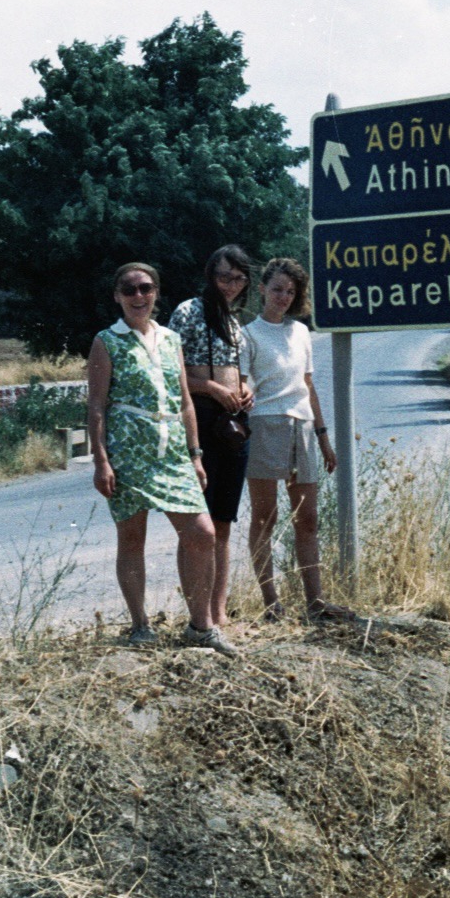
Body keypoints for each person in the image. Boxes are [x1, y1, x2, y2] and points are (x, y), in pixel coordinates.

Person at [87, 262, 237, 655]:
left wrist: (195, 454)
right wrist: (101, 460)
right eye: (130, 289)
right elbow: (97, 407)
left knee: (201, 534)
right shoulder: (107, 341)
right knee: (132, 537)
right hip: (129, 452)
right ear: (117, 296)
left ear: (156, 293)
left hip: (171, 451)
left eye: (146, 288)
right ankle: (140, 625)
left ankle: (200, 626)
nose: (139, 296)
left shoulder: (171, 339)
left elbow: (185, 400)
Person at [241, 257, 355, 622]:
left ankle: (316, 602)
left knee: (307, 519)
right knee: (265, 518)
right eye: (276, 289)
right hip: (264, 425)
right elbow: (243, 384)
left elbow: (307, 386)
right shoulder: (247, 335)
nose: (283, 297)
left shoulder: (301, 332)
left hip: (303, 427)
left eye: (290, 291)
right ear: (261, 289)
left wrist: (324, 438)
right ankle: (271, 604)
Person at [168, 245, 255, 626]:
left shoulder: (236, 323)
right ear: (209, 276)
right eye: (223, 277)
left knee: (222, 522)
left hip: (234, 425)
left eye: (238, 278)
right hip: (201, 419)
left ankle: (218, 613)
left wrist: (244, 389)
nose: (231, 285)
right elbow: (171, 372)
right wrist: (213, 390)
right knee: (196, 524)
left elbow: (240, 371)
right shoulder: (188, 312)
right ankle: (198, 615)